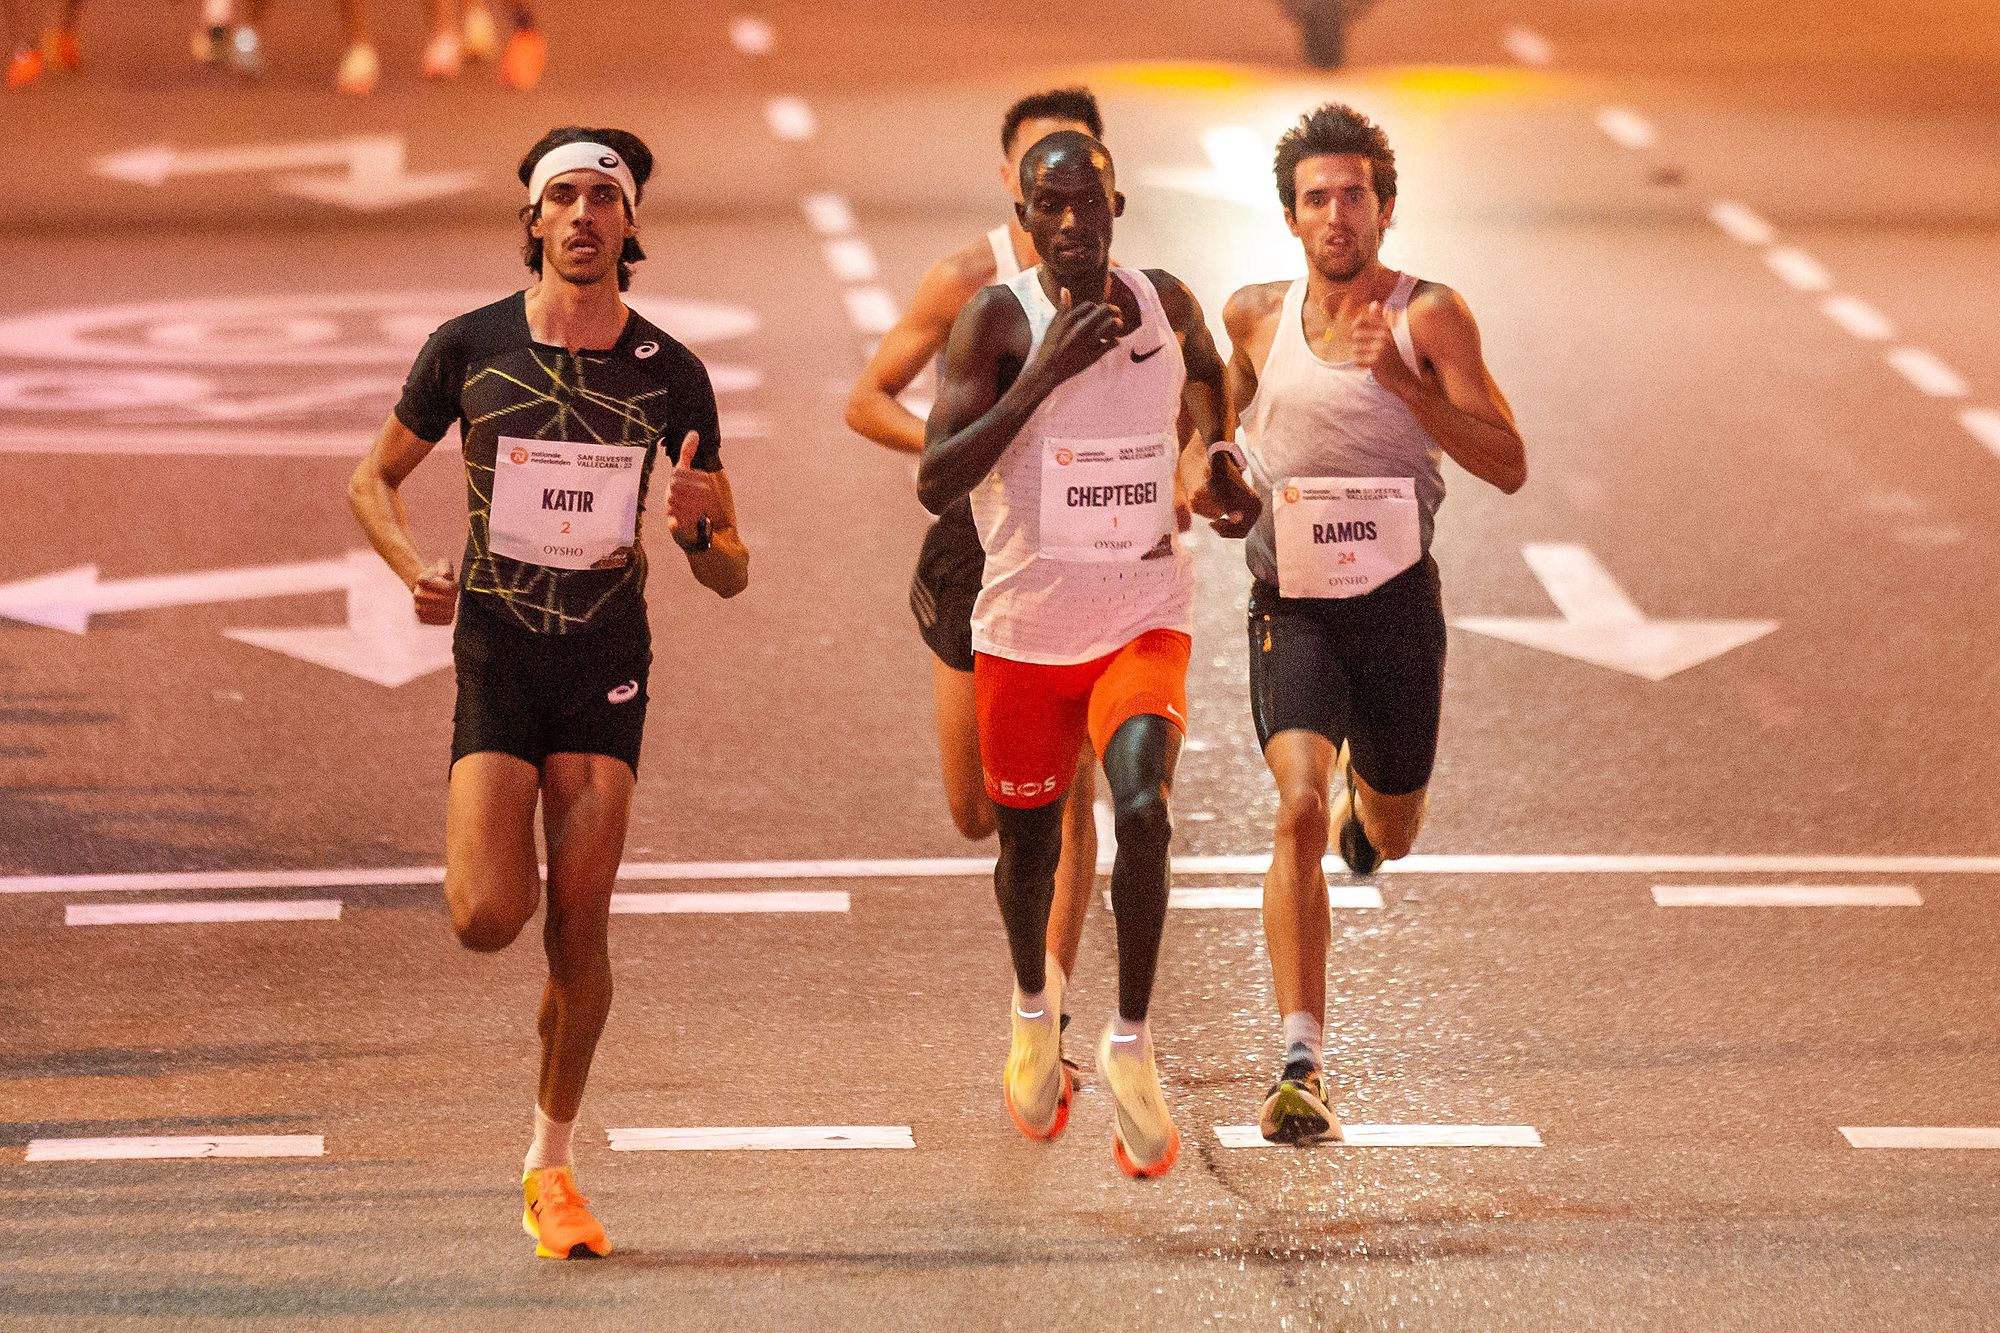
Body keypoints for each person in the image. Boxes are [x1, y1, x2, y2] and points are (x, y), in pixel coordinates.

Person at [348, 126, 749, 1258]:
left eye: (601, 201)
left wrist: (701, 531)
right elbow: (370, 478)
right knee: (488, 917)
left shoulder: (673, 372)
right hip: (499, 652)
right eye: (560, 198)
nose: (581, 217)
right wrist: (410, 565)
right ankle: (505, 835)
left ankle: (550, 1162)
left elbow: (728, 569)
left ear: (629, 227)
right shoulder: (466, 346)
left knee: (580, 925)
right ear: (531, 220)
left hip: (604, 661)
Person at [920, 131, 1257, 1177]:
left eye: (1089, 207)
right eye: (1049, 209)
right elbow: (935, 477)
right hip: (1023, 632)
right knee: (1024, 852)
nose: (1072, 226)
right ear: (1024, 218)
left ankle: (1130, 1042)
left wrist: (1217, 464)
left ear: (1116, 205)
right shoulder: (995, 322)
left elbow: (1206, 389)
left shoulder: (1163, 302)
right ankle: (1033, 1007)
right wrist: (1037, 381)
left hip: (1141, 614)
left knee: (1144, 808)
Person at [1216, 104, 1525, 1144]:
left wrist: (1399, 383)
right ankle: (1299, 1061)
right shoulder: (1252, 316)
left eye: (1353, 194)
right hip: (1292, 609)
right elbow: (1217, 445)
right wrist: (1213, 483)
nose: (1335, 213)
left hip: (1394, 611)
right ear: (1291, 220)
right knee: (1294, 807)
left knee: (1385, 831)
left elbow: (1506, 461)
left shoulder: (1429, 314)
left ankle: (1369, 814)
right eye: (1316, 199)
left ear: (1384, 209)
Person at [845, 88, 1108, 1058]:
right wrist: (960, 449)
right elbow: (864, 399)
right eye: (1038, 165)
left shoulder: (1129, 288)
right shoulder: (967, 281)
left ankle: (1047, 1011)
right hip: (974, 551)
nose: (1059, 186)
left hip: (1083, 556)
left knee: (1073, 790)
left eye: (1078, 165)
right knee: (977, 809)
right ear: (1009, 180)